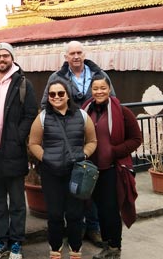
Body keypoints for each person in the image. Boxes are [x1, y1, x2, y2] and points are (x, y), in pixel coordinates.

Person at [40, 40, 114, 246]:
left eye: (79, 52)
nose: (76, 56)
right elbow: (45, 104)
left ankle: (94, 226)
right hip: (67, 137)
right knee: (75, 185)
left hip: (94, 134)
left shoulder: (100, 76)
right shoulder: (56, 78)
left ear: (84, 54)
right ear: (65, 57)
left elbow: (112, 101)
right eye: (71, 53)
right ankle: (77, 227)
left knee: (91, 181)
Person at [0, 43, 38, 259]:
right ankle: (1, 240)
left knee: (17, 203)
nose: (2, 59)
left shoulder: (22, 83)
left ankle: (16, 243)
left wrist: (17, 137)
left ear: (12, 58)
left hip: (13, 152)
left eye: (6, 56)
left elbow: (31, 113)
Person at [28, 79, 98, 259]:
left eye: (60, 93)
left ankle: (75, 250)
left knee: (75, 214)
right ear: (48, 97)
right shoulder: (43, 117)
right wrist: (46, 157)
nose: (56, 97)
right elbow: (34, 143)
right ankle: (55, 250)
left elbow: (92, 141)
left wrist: (84, 154)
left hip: (75, 173)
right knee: (55, 215)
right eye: (52, 94)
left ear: (67, 95)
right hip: (52, 173)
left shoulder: (82, 115)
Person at [82, 75, 142, 259]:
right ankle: (108, 244)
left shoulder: (123, 112)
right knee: (99, 209)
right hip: (92, 170)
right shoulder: (85, 110)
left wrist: (114, 151)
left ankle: (114, 247)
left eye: (103, 88)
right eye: (95, 88)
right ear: (91, 91)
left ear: (109, 90)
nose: (99, 92)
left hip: (112, 169)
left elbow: (136, 139)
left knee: (110, 209)